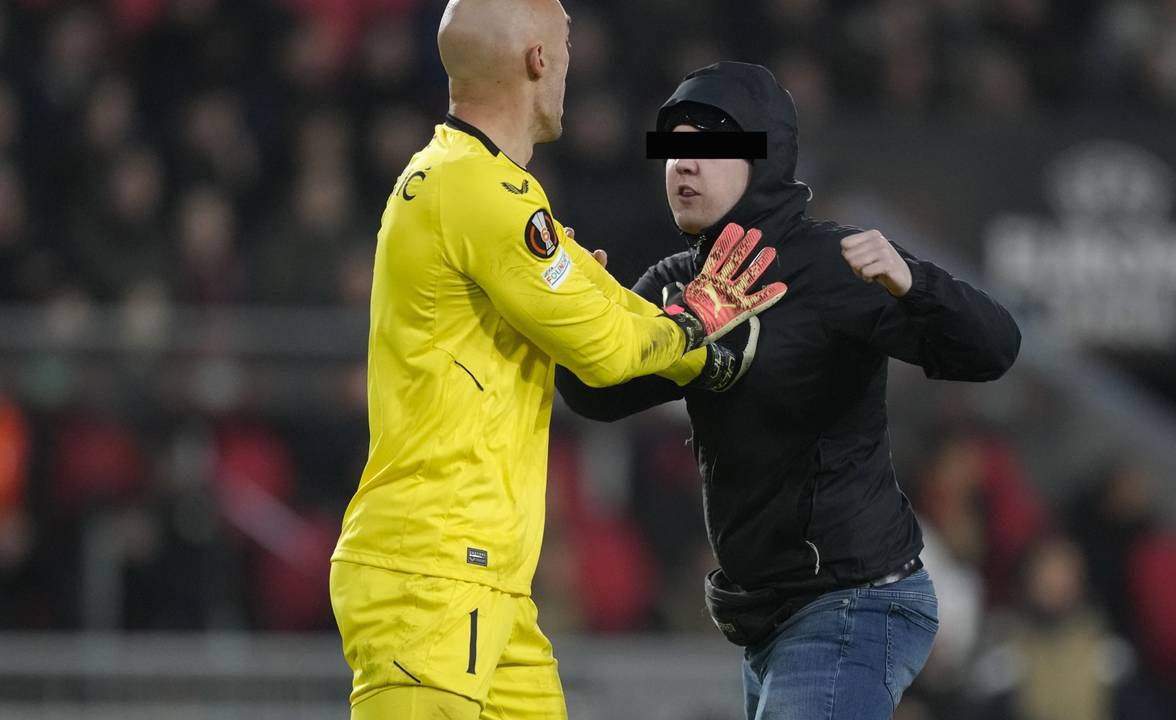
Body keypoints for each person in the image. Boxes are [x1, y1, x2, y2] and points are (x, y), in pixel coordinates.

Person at [328, 5, 786, 719]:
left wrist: (689, 346)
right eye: (568, 45)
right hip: (432, 575)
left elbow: (606, 311)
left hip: (489, 583)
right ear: (538, 59)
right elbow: (604, 349)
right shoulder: (484, 195)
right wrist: (699, 327)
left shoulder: (472, 186)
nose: (573, 65)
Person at [557, 61, 1021, 719]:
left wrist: (917, 282)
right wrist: (570, 304)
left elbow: (996, 349)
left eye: (707, 146)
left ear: (764, 156)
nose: (682, 166)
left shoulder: (831, 266)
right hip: (774, 617)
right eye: (672, 149)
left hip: (854, 598)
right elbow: (594, 394)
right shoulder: (679, 283)